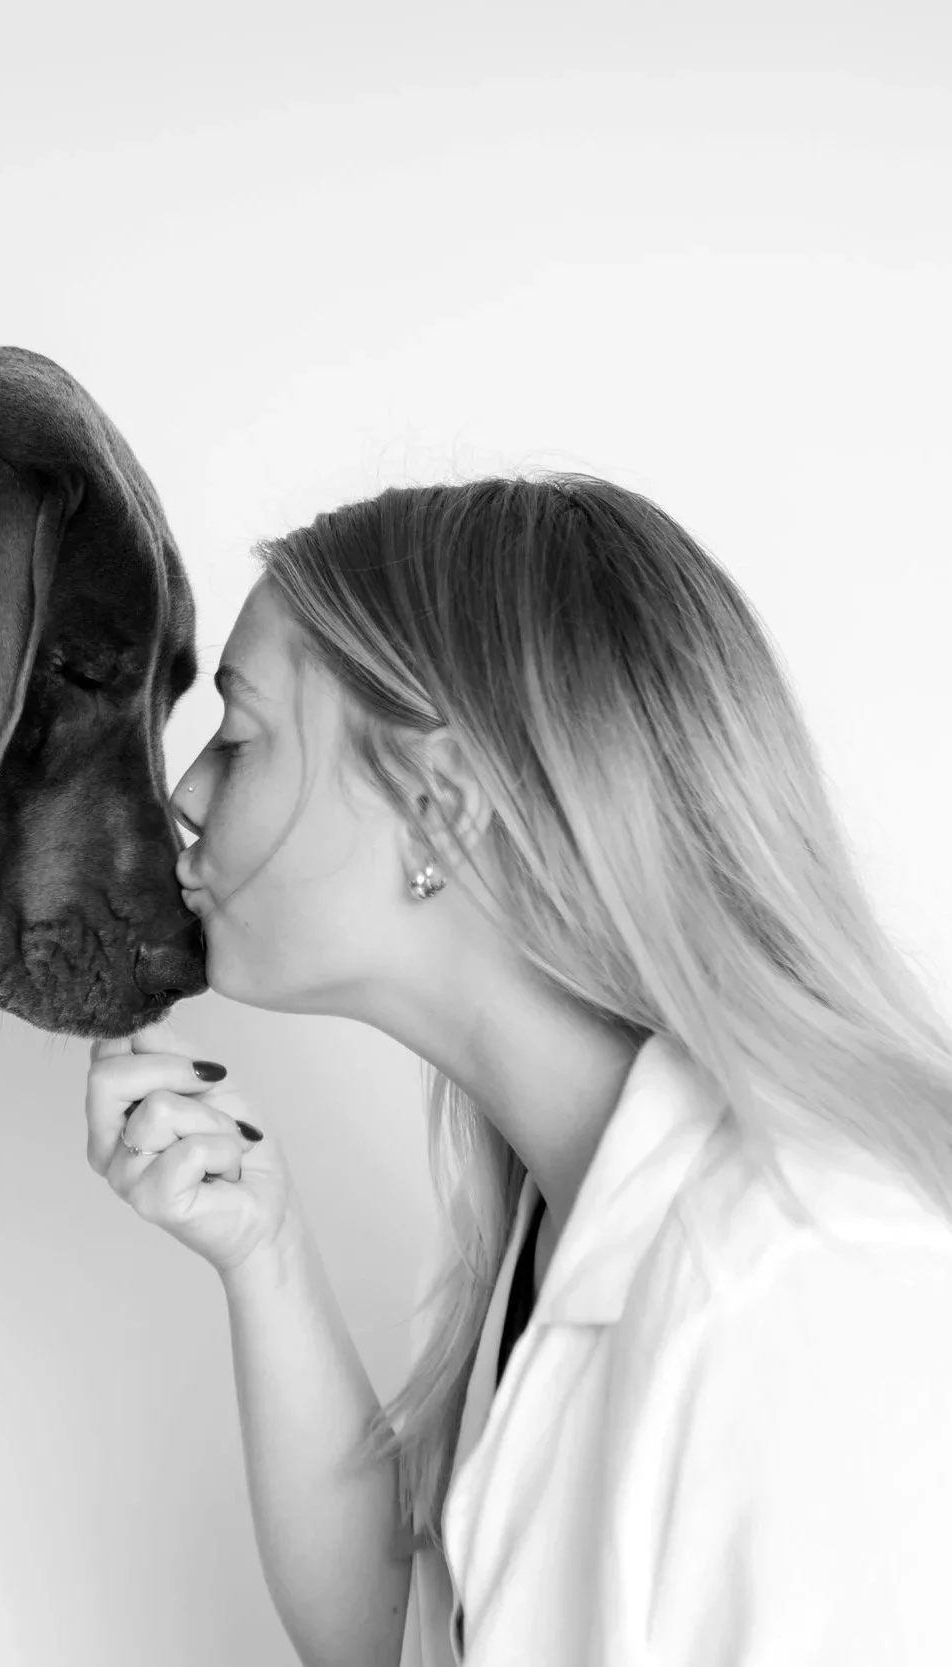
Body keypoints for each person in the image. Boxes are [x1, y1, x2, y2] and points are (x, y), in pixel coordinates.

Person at [83, 475, 952, 1666]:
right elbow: (408, 1637)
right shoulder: (567, 1220)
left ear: (437, 808)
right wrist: (260, 1249)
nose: (183, 794)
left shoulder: (802, 1290)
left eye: (238, 738)